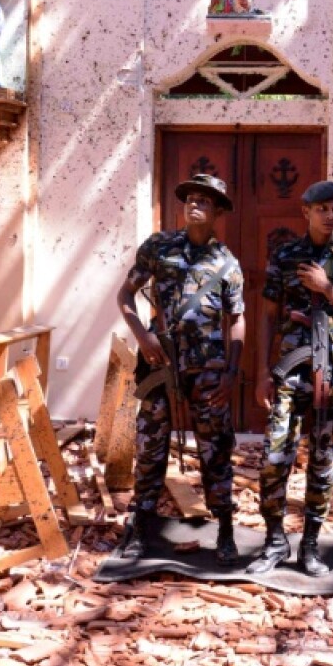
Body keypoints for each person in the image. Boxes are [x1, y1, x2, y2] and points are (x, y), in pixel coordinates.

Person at [247, 181, 333, 576]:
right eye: (322, 209)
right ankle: (273, 541)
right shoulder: (285, 257)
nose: (330, 216)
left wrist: (328, 289)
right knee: (274, 459)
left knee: (323, 463)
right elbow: (267, 316)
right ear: (306, 212)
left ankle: (311, 546)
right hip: (289, 373)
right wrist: (260, 374)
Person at [116, 174, 245, 564]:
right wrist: (142, 336)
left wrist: (233, 373)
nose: (195, 204)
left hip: (208, 370)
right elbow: (124, 294)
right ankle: (141, 524)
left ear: (218, 211)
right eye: (190, 198)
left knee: (216, 449)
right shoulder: (158, 247)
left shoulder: (226, 262)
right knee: (150, 445)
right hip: (161, 362)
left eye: (205, 201)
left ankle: (224, 528)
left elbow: (237, 318)